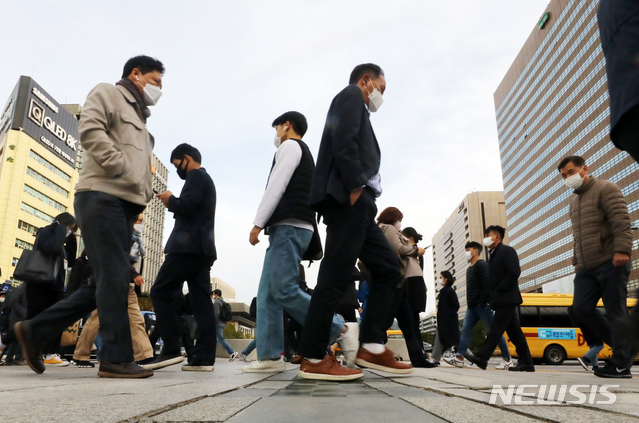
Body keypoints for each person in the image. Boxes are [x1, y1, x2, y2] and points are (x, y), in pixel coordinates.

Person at [15, 55, 164, 379]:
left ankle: (34, 330)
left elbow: (143, 169)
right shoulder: (108, 94)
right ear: (136, 74)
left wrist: (145, 193)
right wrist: (121, 167)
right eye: (156, 81)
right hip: (101, 195)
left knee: (103, 283)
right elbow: (90, 130)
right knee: (112, 278)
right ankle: (115, 357)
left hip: (123, 205)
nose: (159, 89)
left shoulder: (142, 121)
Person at [297, 64, 412, 380]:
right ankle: (313, 356)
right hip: (350, 199)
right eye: (381, 88)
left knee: (389, 269)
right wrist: (354, 185)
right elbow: (343, 139)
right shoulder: (350, 96)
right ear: (366, 81)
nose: (380, 96)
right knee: (335, 277)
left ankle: (371, 347)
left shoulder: (361, 109)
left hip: (362, 206)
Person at [244, 111, 354, 374]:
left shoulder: (290, 146)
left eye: (277, 128)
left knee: (282, 289)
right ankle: (269, 356)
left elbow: (276, 185)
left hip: (290, 226)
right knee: (268, 294)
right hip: (291, 226)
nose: (276, 134)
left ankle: (340, 328)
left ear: (287, 126)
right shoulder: (301, 150)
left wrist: (258, 223)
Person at [558, 156, 633, 378]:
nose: (567, 178)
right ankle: (625, 349)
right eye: (563, 176)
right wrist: (576, 262)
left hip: (611, 261)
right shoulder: (574, 202)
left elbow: (621, 221)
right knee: (579, 309)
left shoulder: (606, 188)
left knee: (615, 312)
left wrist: (622, 250)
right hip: (586, 268)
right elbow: (577, 237)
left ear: (585, 169)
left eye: (571, 172)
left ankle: (620, 364)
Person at [147, 143, 217, 372]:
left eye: (178, 165)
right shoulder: (206, 180)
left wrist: (170, 200)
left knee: (160, 291)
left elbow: (187, 206)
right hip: (202, 249)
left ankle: (171, 347)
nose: (179, 170)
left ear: (187, 158)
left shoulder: (196, 176)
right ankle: (205, 357)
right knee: (201, 303)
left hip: (187, 247)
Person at [466, 226, 535, 372]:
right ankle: (526, 362)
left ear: (497, 237)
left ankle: (482, 357)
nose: (485, 237)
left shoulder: (507, 251)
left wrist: (499, 290)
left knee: (496, 328)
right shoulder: (494, 254)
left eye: (487, 235)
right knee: (514, 332)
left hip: (507, 298)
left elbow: (514, 272)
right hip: (501, 299)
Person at [377, 208, 434, 368]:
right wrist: (415, 250)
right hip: (396, 278)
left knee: (408, 322)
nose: (400, 222)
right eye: (399, 218)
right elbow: (398, 249)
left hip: (399, 280)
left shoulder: (390, 229)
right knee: (389, 321)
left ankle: (418, 358)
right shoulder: (388, 229)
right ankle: (366, 348)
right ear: (393, 218)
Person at [445, 241, 512, 369]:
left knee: (493, 332)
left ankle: (507, 359)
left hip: (482, 306)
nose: (466, 253)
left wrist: (483, 301)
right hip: (472, 307)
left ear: (476, 251)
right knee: (465, 331)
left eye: (468, 250)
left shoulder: (482, 265)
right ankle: (459, 357)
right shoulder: (469, 268)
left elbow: (487, 283)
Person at [24, 212, 77, 367]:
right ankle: (17, 347)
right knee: (35, 317)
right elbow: (49, 248)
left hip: (57, 285)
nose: (70, 231)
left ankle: (51, 353)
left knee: (57, 318)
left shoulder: (62, 242)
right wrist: (61, 229)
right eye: (69, 227)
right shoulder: (45, 232)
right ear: (62, 223)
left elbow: (70, 261)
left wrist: (72, 241)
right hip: (39, 283)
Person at [401, 227, 428, 340]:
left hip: (412, 289)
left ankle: (419, 349)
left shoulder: (414, 251)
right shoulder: (417, 251)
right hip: (416, 289)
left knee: (411, 321)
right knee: (413, 321)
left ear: (409, 238)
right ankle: (419, 349)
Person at [568, 306, 604, 372]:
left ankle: (595, 366)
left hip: (585, 330)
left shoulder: (575, 309)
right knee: (600, 345)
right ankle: (585, 359)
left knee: (593, 346)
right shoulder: (585, 307)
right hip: (592, 329)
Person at [434, 271, 460, 358]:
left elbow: (456, 305)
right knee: (440, 339)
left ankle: (472, 358)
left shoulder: (449, 291)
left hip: (449, 321)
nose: (439, 280)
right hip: (443, 321)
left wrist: (447, 315)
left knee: (458, 341)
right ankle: (435, 359)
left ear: (446, 279)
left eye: (441, 278)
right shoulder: (443, 292)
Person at [212, 289, 238, 362]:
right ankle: (212, 356)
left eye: (214, 294)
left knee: (220, 339)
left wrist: (213, 322)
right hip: (222, 322)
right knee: (215, 339)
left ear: (216, 294)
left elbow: (216, 313)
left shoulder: (217, 301)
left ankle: (232, 352)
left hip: (218, 323)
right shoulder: (222, 301)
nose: (213, 296)